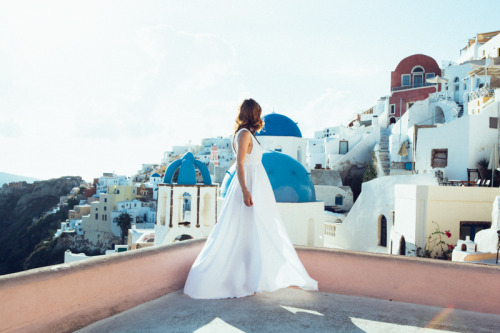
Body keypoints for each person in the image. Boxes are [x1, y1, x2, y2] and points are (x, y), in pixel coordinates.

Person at [183, 98, 318, 299]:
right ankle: (230, 280)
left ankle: (252, 279)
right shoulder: (244, 134)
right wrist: (246, 190)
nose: (260, 116)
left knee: (255, 232)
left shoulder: (249, 135)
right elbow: (240, 164)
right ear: (252, 113)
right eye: (258, 112)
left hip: (257, 186)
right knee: (240, 231)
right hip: (249, 187)